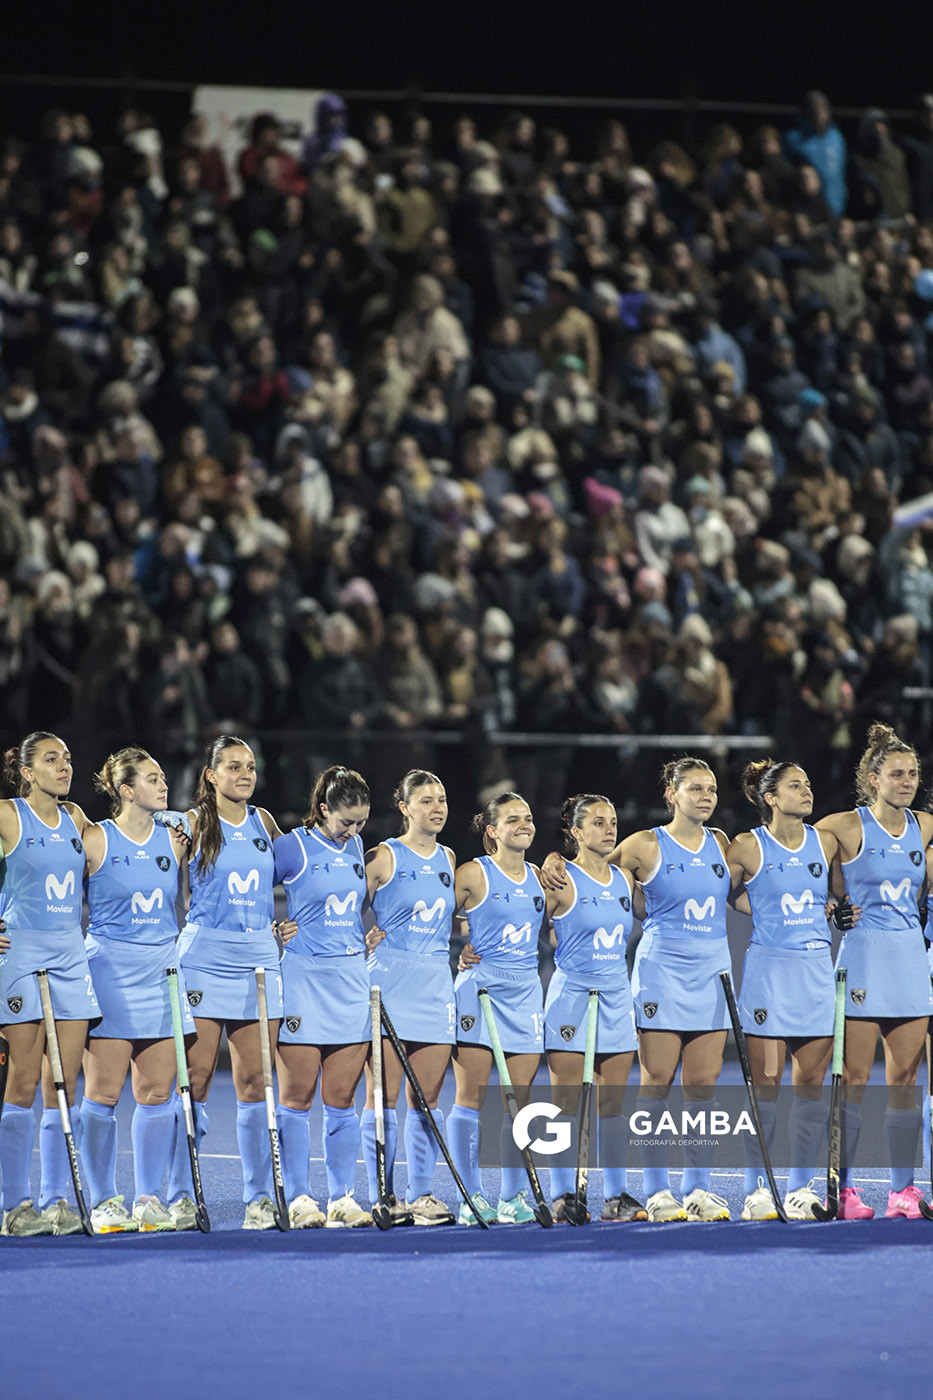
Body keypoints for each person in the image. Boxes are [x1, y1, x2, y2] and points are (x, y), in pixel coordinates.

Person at [165, 734, 301, 1231]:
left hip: (259, 960)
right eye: (233, 767)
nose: (245, 774)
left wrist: (288, 924)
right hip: (204, 959)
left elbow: (306, 873)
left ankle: (259, 1199)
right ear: (210, 774)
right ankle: (181, 1196)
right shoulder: (191, 823)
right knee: (195, 1081)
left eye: (250, 766)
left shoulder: (265, 822)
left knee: (254, 1082)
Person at [815, 723, 933, 1219]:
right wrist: (828, 907)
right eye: (896, 774)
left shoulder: (926, 826)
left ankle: (903, 1191)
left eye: (912, 774)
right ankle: (841, 1190)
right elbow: (797, 870)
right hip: (863, 955)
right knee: (854, 1079)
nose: (906, 782)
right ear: (872, 776)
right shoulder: (842, 826)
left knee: (905, 1078)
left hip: (910, 956)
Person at [726, 760, 848, 1221]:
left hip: (816, 970)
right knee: (766, 1084)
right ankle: (756, 1188)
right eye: (795, 786)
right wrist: (755, 910)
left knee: (811, 1085)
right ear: (770, 798)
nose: (807, 790)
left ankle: (799, 1186)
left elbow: (839, 895)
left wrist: (837, 910)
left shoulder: (827, 841)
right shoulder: (746, 847)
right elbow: (711, 889)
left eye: (809, 783)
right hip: (769, 974)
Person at [79, 747, 192, 1233]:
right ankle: (103, 1200)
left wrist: (175, 814)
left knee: (156, 1093)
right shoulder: (94, 840)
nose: (162, 784)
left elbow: (201, 814)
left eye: (163, 776)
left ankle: (147, 1199)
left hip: (162, 971)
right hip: (109, 972)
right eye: (151, 779)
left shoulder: (176, 840)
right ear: (126, 790)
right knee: (102, 1094)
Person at [0, 732, 101, 1236]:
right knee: (20, 1082)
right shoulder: (7, 815)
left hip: (70, 955)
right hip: (21, 955)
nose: (64, 766)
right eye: (51, 759)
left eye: (66, 757)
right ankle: (15, 1207)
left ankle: (55, 1200)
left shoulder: (77, 819)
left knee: (62, 1086)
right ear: (26, 771)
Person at [273, 766, 374, 1227]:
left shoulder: (356, 848)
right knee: (296, 1096)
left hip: (350, 979)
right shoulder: (292, 847)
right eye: (345, 822)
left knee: (341, 1097)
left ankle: (342, 1197)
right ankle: (297, 1196)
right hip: (303, 980)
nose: (353, 832)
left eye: (360, 823)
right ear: (322, 810)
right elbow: (246, 892)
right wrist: (270, 929)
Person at [544, 794, 648, 1222]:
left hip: (616, 995)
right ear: (576, 832)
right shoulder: (560, 878)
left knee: (613, 1105)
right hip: (572, 997)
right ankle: (561, 1194)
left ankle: (616, 1196)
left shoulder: (625, 879)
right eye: (598, 822)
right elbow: (520, 922)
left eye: (613, 821)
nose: (609, 829)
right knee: (564, 1105)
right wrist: (473, 947)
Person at [363, 769, 457, 1225]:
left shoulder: (450, 858)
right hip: (390, 981)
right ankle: (382, 1192)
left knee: (428, 1097)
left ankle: (422, 1195)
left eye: (440, 799)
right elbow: (340, 909)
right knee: (383, 1094)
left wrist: (471, 944)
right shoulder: (384, 856)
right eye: (425, 800)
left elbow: (466, 914)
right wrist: (358, 941)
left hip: (435, 983)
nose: (436, 807)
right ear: (404, 808)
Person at [447, 792, 545, 1225]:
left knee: (519, 1103)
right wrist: (459, 950)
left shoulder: (542, 876)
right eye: (512, 820)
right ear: (492, 831)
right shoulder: (472, 873)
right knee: (470, 1098)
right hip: (480, 990)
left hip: (525, 991)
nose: (523, 825)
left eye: (527, 818)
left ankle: (513, 1198)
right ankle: (471, 1197)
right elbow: (431, 917)